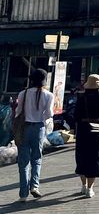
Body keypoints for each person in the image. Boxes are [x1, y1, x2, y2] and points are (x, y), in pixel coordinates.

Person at [15, 69, 54, 203]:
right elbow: (49, 114)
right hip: (39, 128)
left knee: (23, 161)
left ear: (31, 80)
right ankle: (34, 186)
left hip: (24, 128)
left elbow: (18, 111)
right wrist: (41, 118)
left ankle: (23, 194)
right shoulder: (49, 95)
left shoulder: (22, 94)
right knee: (37, 158)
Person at [75, 74, 99, 198]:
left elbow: (76, 116)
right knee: (95, 158)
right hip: (97, 129)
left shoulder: (81, 98)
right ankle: (90, 188)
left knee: (81, 157)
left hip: (83, 129)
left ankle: (83, 186)